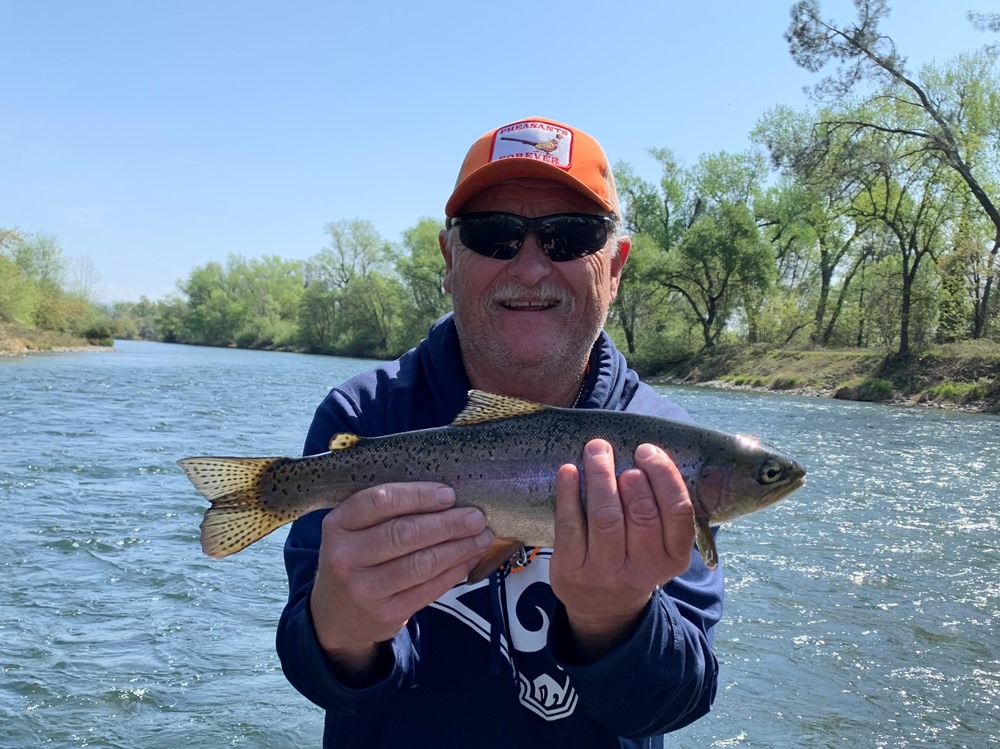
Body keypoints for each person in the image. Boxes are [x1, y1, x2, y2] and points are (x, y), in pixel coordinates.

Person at [276, 116, 724, 748]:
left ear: (615, 265)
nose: (532, 267)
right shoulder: (363, 416)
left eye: (570, 237)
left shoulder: (662, 449)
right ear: (449, 258)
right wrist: (341, 631)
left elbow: (675, 701)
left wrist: (615, 619)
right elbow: (318, 676)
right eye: (495, 235)